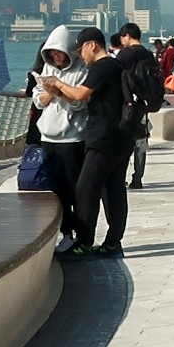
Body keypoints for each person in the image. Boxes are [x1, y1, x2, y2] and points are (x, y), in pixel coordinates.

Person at [43, 28, 137, 257]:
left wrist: (57, 83)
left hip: (103, 139)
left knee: (86, 188)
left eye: (81, 49)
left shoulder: (102, 67)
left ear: (92, 45)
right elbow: (78, 97)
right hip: (121, 137)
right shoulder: (115, 65)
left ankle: (84, 242)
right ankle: (113, 243)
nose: (80, 55)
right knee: (113, 189)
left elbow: (79, 95)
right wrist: (58, 92)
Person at [31, 26, 89, 251]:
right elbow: (39, 100)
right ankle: (65, 231)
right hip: (48, 137)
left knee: (74, 188)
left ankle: (81, 233)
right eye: (52, 52)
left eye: (59, 52)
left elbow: (79, 102)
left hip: (73, 138)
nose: (56, 56)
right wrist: (52, 91)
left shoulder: (81, 70)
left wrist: (59, 88)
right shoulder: (47, 68)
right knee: (53, 190)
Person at [116, 24, 157, 189]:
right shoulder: (148, 54)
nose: (121, 40)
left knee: (124, 142)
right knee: (141, 142)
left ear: (128, 35)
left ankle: (120, 177)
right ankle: (138, 178)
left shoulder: (125, 54)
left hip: (127, 103)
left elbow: (117, 77)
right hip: (144, 103)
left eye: (122, 37)